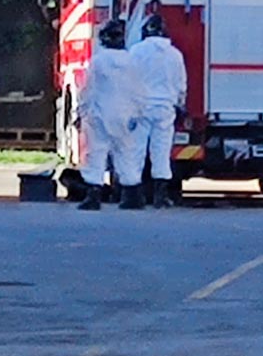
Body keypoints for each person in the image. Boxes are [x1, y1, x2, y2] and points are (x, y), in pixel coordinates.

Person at [76, 19, 144, 212]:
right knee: (127, 154)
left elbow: (88, 90)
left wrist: (81, 111)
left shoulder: (98, 61)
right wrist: (137, 113)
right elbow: (140, 91)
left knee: (96, 154)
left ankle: (93, 195)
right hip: (125, 116)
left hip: (100, 115)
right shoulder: (132, 61)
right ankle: (132, 195)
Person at [128, 14, 187, 208]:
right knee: (161, 152)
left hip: (141, 107)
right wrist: (180, 104)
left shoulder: (136, 52)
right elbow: (181, 85)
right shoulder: (175, 54)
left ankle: (134, 196)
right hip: (165, 109)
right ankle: (160, 196)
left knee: (137, 151)